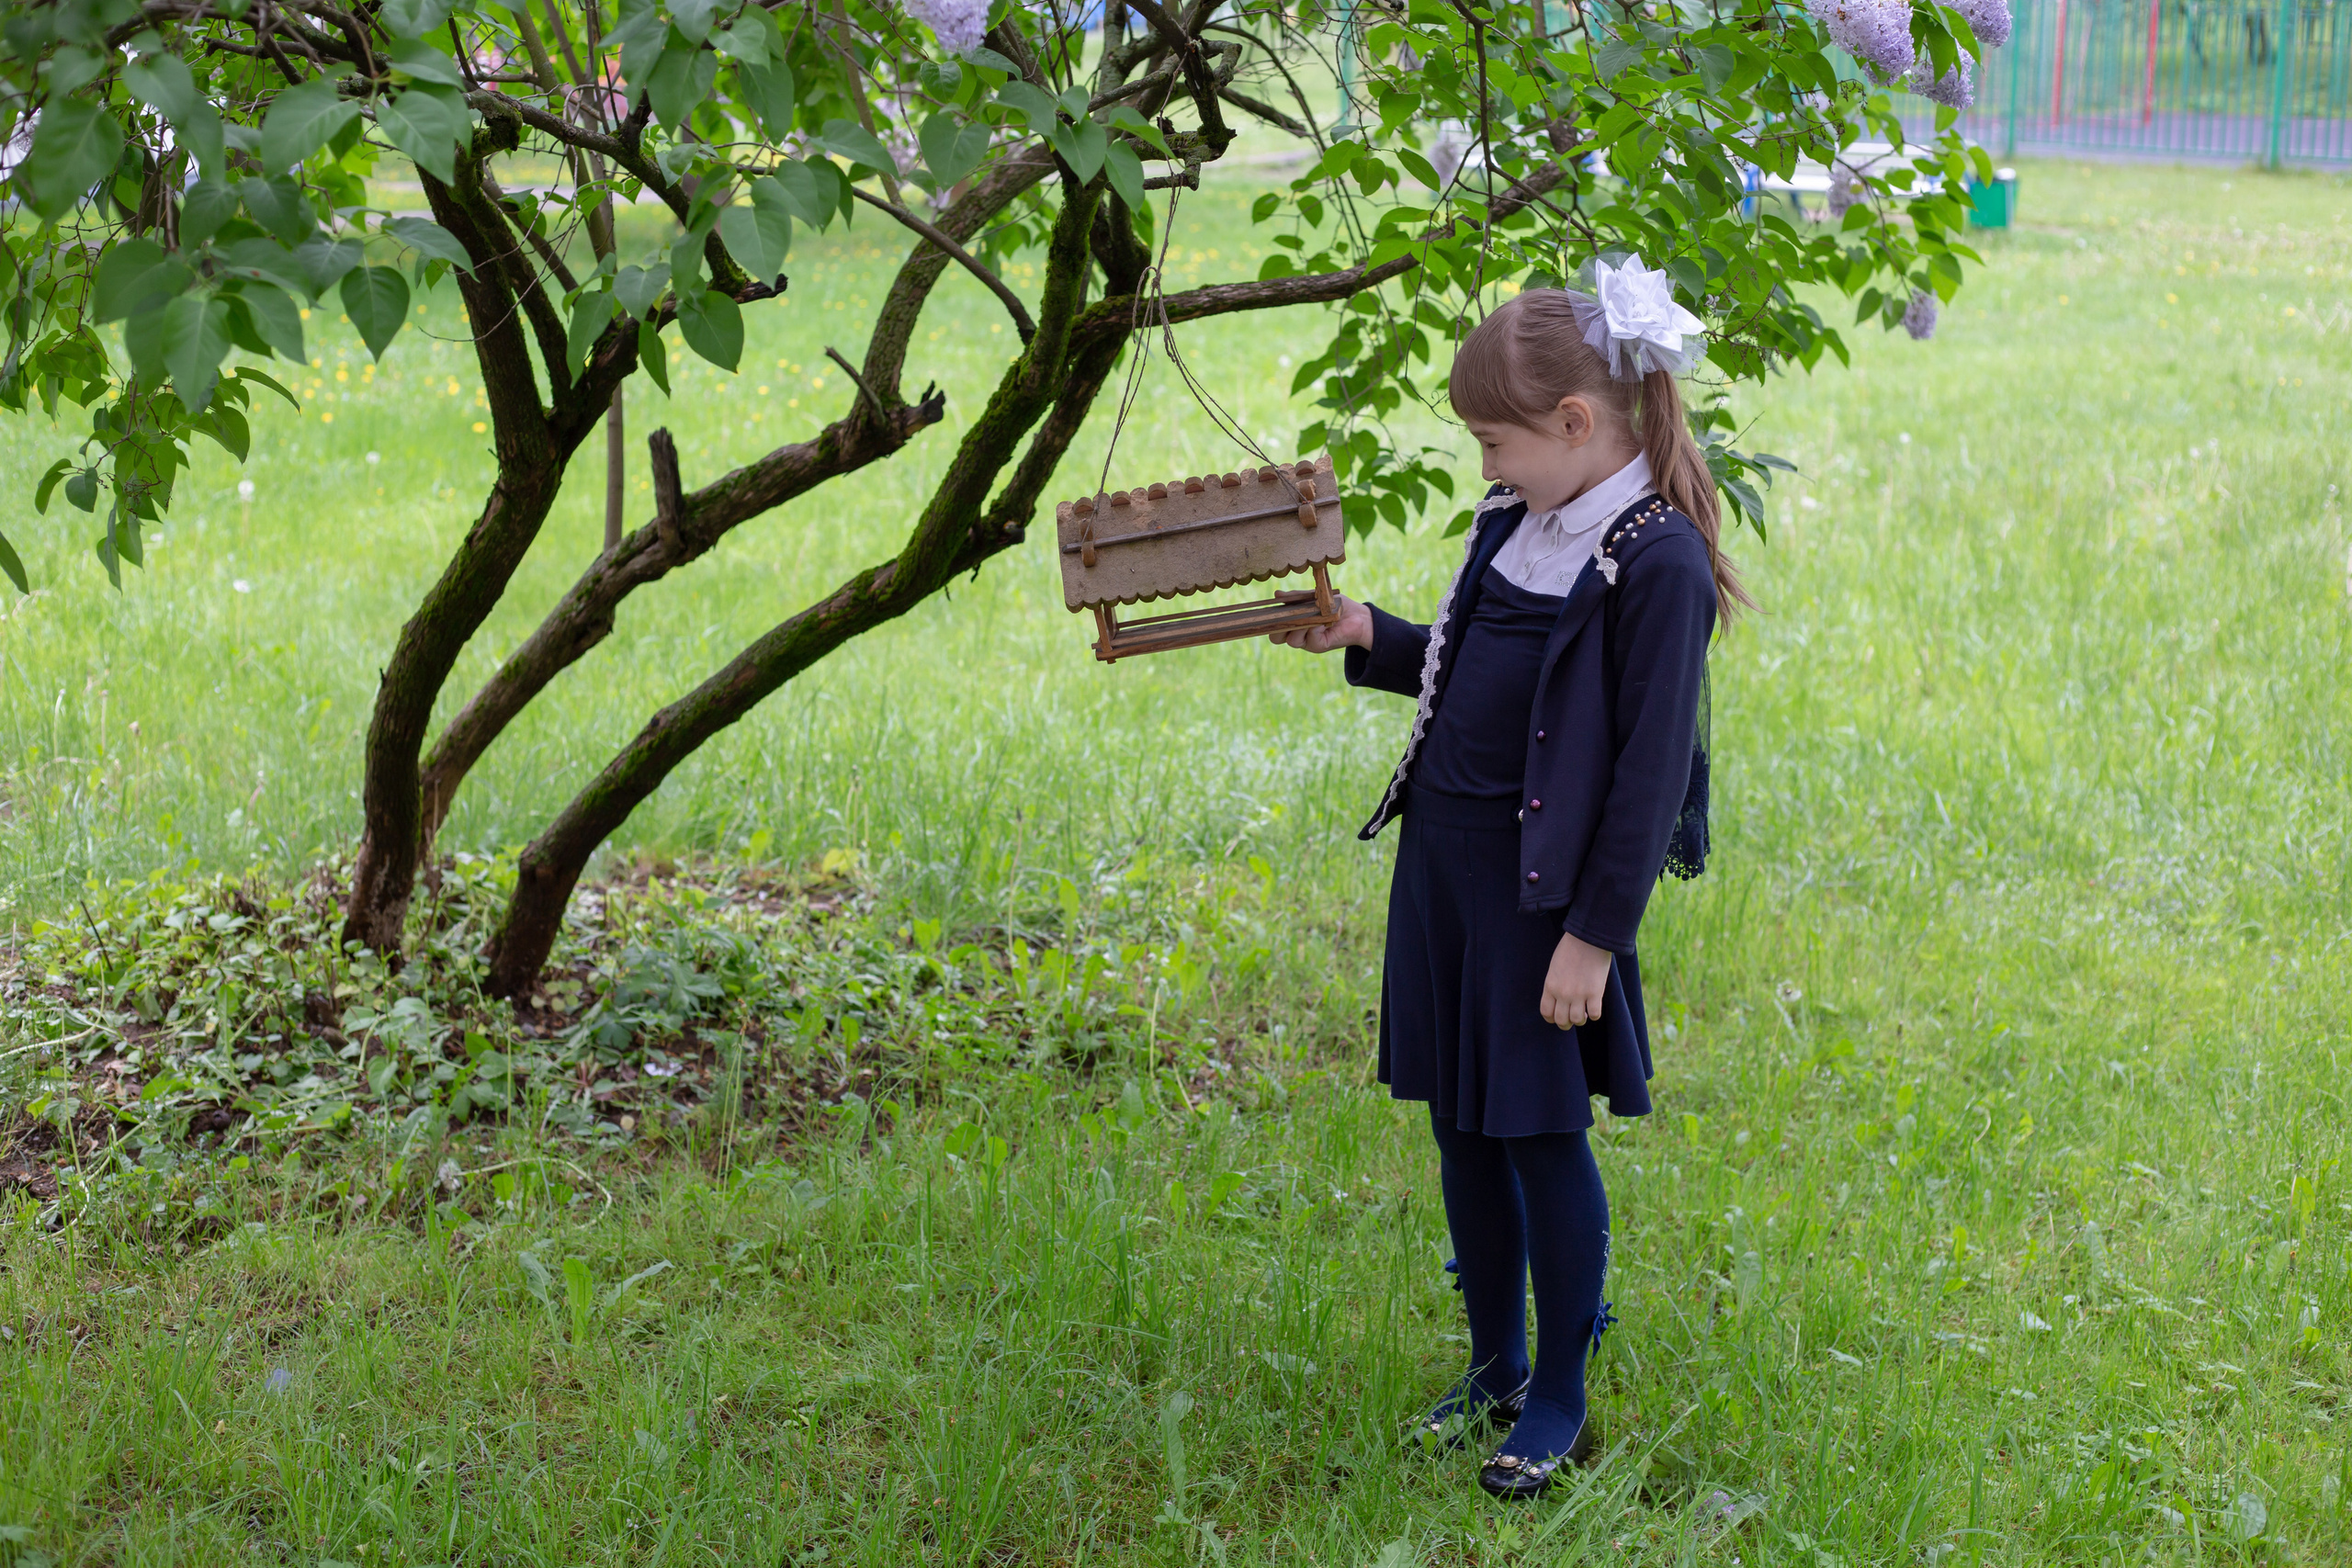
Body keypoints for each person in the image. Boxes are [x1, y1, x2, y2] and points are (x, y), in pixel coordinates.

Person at [1270, 260, 1750, 1499]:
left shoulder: (1657, 562)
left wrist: (1594, 938)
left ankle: (1557, 1397)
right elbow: (1473, 672)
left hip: (1546, 907)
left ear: (1576, 425)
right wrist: (1371, 636)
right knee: (1460, 1130)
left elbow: (1646, 780)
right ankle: (1491, 1366)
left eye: (1494, 441)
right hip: (1449, 872)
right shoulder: (1518, 524)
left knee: (1538, 1137)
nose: (1485, 465)